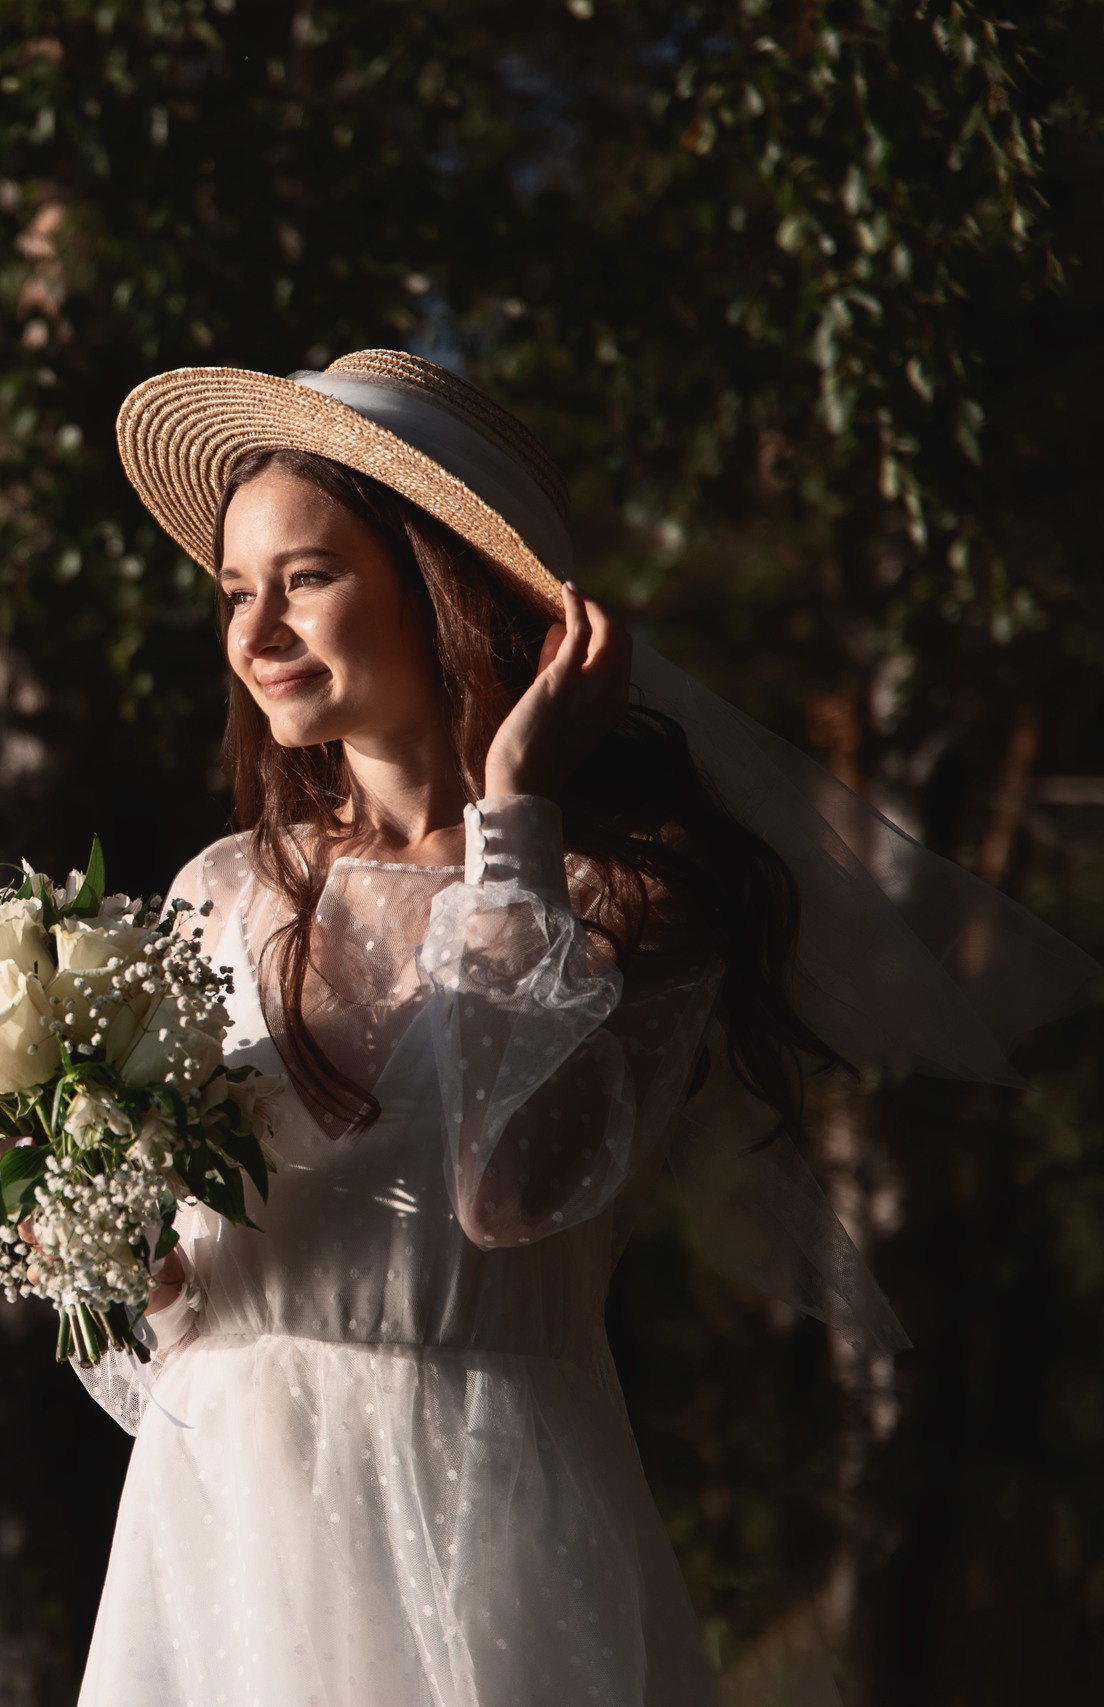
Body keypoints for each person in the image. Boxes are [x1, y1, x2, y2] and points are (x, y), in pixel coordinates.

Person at [74, 351, 1097, 1706]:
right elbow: (165, 1313)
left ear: (435, 584)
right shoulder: (224, 889)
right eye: (234, 591)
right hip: (217, 1533)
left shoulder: (625, 895)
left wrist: (516, 820)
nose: (255, 633)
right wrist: (61, 1209)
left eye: (306, 579)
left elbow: (514, 1189)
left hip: (474, 1514)